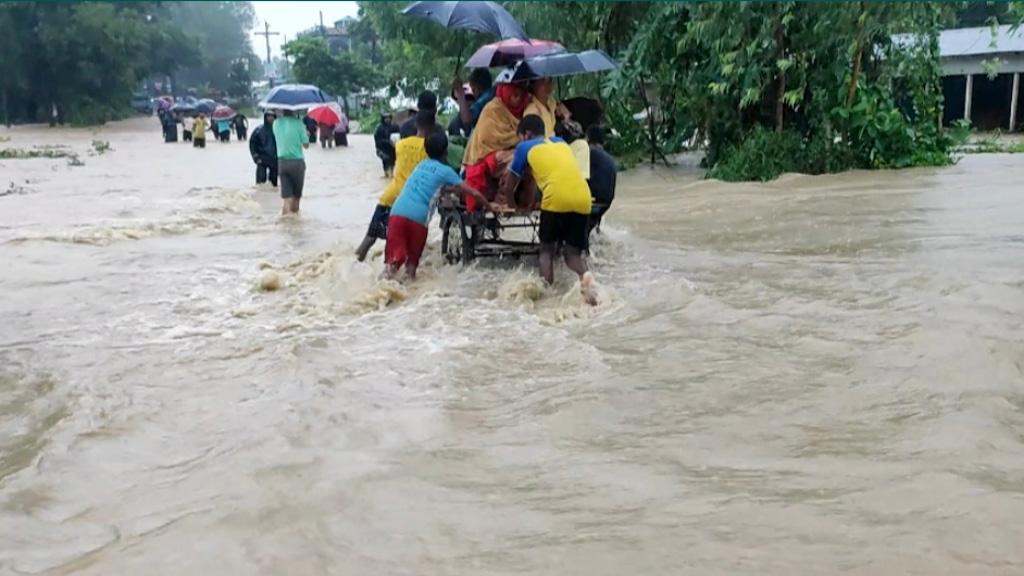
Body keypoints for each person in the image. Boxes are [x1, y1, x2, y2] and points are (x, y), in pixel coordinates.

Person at [500, 114, 597, 305]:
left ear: (526, 134)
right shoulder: (560, 142)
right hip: (584, 197)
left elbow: (509, 185)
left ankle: (548, 296)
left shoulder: (524, 147)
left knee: (546, 251)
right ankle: (586, 280)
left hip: (556, 197)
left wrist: (513, 207)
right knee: (572, 254)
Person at [386, 132, 493, 280]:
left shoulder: (420, 165)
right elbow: (473, 193)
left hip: (396, 213)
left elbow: (434, 188)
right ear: (446, 151)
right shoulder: (446, 171)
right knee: (411, 266)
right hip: (417, 219)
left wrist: (451, 190)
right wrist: (490, 207)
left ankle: (382, 294)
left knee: (392, 264)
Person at [356, 110, 434, 262]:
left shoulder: (401, 145)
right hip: (411, 202)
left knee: (369, 239)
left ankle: (350, 267)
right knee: (408, 248)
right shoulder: (430, 149)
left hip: (390, 197)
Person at [462, 69, 530, 211]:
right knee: (518, 158)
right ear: (506, 92)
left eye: (520, 95)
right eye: (514, 95)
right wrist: (519, 140)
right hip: (484, 157)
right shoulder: (492, 109)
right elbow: (490, 140)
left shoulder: (525, 109)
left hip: (506, 153)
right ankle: (503, 199)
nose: (517, 99)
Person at [273, 109, 311, 215]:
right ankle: (294, 224)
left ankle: (285, 222)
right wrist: (306, 134)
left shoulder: (276, 124)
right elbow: (306, 145)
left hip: (282, 163)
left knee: (286, 198)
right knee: (296, 197)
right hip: (297, 163)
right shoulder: (299, 123)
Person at [585, 124, 616, 234]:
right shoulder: (609, 158)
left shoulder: (588, 152)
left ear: (588, 138)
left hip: (593, 201)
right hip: (606, 202)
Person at [452, 68, 495, 137]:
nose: (474, 95)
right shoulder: (495, 94)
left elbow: (467, 119)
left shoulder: (485, 99)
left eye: (473, 90)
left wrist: (460, 91)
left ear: (479, 87)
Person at [249, 111, 278, 186]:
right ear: (265, 117)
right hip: (261, 160)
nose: (270, 118)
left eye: (272, 116)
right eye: (268, 116)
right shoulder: (258, 130)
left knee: (274, 184)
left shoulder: (279, 130)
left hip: (275, 160)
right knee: (260, 184)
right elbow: (252, 144)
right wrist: (255, 156)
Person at [374, 113, 399, 178]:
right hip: (383, 148)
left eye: (389, 118)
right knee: (385, 161)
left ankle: (392, 174)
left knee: (393, 161)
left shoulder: (395, 126)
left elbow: (398, 136)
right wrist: (386, 142)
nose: (387, 120)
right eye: (386, 118)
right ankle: (386, 174)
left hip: (393, 148)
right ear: (383, 119)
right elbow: (377, 139)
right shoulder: (379, 128)